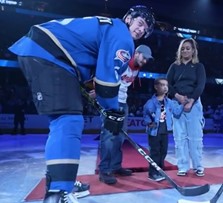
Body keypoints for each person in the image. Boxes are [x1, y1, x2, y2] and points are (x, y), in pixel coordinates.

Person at [8, 5, 155, 203]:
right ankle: (58, 192)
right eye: (140, 23)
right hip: (52, 54)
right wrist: (113, 110)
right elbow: (107, 83)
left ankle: (62, 180)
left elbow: (94, 70)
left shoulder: (112, 28)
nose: (141, 30)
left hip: (48, 52)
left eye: (145, 29)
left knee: (64, 120)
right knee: (69, 120)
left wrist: (90, 89)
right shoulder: (123, 36)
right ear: (129, 18)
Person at [98, 45, 154, 185]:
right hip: (111, 101)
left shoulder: (137, 68)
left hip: (123, 103)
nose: (145, 61)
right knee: (108, 136)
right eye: (144, 58)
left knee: (120, 136)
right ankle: (104, 170)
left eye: (147, 59)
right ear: (137, 53)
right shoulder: (123, 60)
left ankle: (116, 166)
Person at [166, 38, 206, 177]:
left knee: (195, 137)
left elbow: (200, 85)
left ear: (193, 50)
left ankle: (198, 166)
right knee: (179, 137)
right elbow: (167, 85)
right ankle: (182, 166)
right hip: (177, 104)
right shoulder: (174, 66)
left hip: (193, 103)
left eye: (188, 48)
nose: (185, 51)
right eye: (183, 48)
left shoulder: (199, 66)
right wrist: (177, 96)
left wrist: (191, 101)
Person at [143, 78, 183, 181]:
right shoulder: (151, 102)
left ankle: (160, 171)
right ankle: (152, 173)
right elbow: (146, 113)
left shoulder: (169, 102)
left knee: (163, 152)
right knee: (155, 152)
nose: (165, 87)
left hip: (165, 130)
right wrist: (148, 122)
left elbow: (177, 113)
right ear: (156, 87)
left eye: (166, 85)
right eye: (162, 85)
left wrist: (183, 104)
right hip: (154, 131)